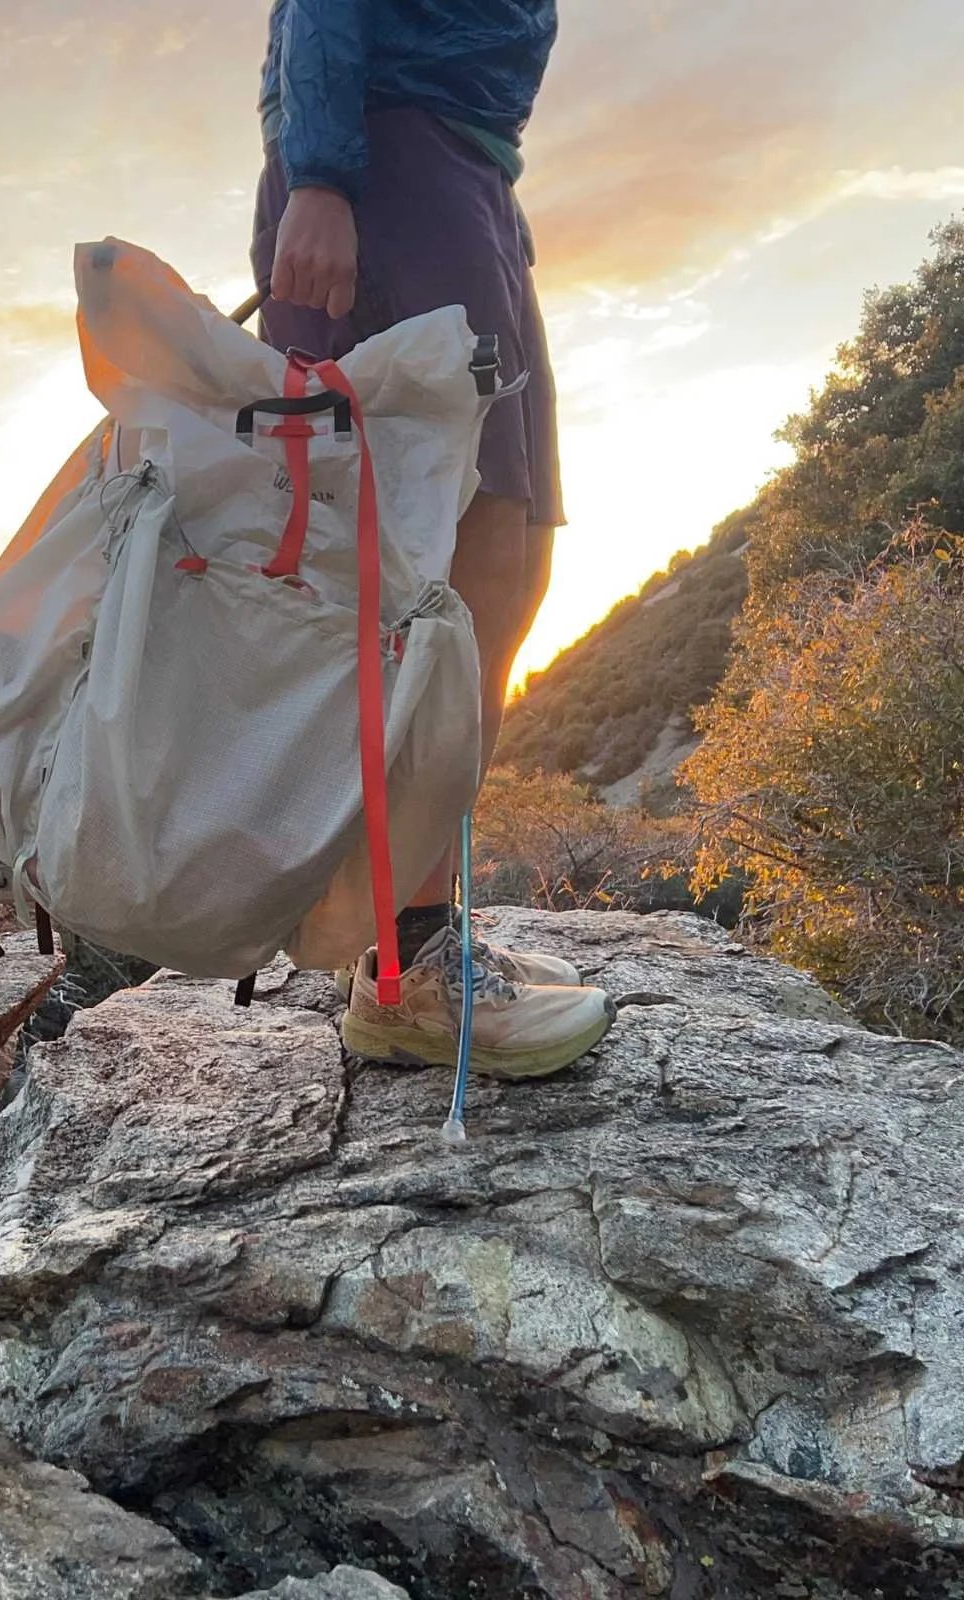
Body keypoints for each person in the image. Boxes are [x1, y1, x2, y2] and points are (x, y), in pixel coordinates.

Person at [252, 0, 614, 1079]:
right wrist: (320, 173)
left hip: (454, 174)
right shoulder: (359, 160)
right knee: (445, 562)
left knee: (504, 554)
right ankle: (403, 962)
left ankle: (416, 933)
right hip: (390, 162)